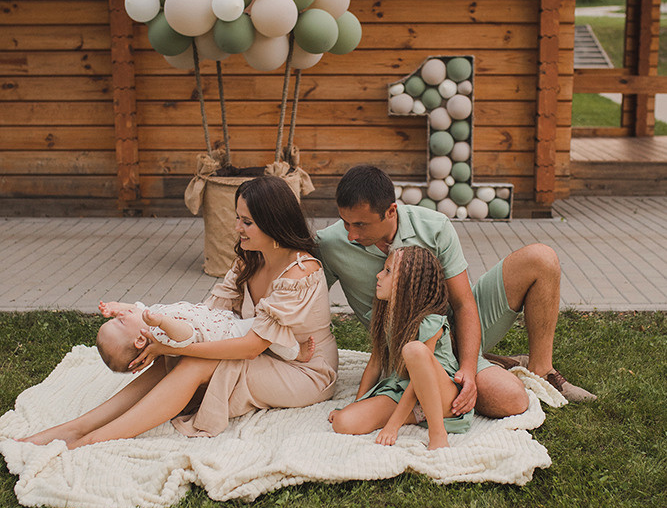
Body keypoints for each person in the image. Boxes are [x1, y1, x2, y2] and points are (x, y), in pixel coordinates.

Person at [21, 176, 338, 448]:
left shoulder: (301, 273)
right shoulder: (249, 259)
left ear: (273, 223)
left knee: (192, 361)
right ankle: (78, 427)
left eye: (247, 222)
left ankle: (91, 441)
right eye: (237, 217)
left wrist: (175, 346)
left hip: (305, 370)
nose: (236, 227)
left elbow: (252, 346)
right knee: (176, 355)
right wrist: (162, 339)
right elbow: (210, 313)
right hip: (265, 355)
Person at [317, 165, 596, 417]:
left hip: (454, 328)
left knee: (542, 258)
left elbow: (463, 304)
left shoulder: (435, 227)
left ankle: (541, 370)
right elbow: (310, 303)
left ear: (391, 211)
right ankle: (496, 364)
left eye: (360, 225)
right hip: (410, 350)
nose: (351, 235)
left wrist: (468, 371)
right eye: (345, 223)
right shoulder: (330, 244)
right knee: (509, 399)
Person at [330, 246, 473, 450]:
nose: (378, 275)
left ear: (407, 284)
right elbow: (375, 364)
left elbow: (418, 381)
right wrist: (356, 404)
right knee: (343, 422)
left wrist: (392, 426)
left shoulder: (431, 322)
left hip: (443, 394)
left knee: (414, 350)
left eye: (388, 271)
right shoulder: (388, 317)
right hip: (404, 390)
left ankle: (437, 432)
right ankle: (416, 415)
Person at [95, 299, 315, 373]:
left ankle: (280, 350)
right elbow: (185, 335)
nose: (121, 314)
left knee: (262, 325)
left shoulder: (145, 318)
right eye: (119, 320)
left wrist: (117, 306)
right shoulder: (160, 332)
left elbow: (136, 307)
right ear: (140, 340)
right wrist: (162, 322)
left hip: (222, 320)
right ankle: (296, 353)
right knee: (269, 328)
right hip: (229, 334)